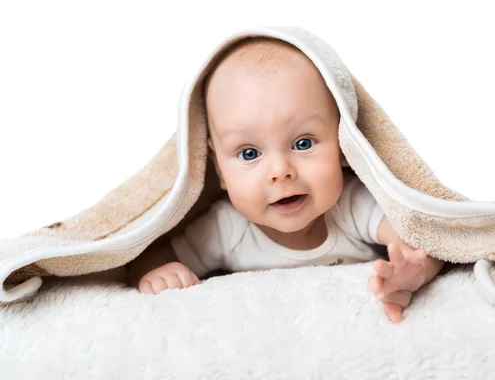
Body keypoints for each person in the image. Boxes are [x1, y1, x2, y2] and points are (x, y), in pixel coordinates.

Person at [127, 37, 445, 323]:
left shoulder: (350, 204)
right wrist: (158, 273)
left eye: (303, 143)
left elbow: (419, 242)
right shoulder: (226, 228)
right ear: (219, 169)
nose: (281, 171)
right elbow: (153, 255)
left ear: (344, 143)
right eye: (249, 153)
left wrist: (410, 276)